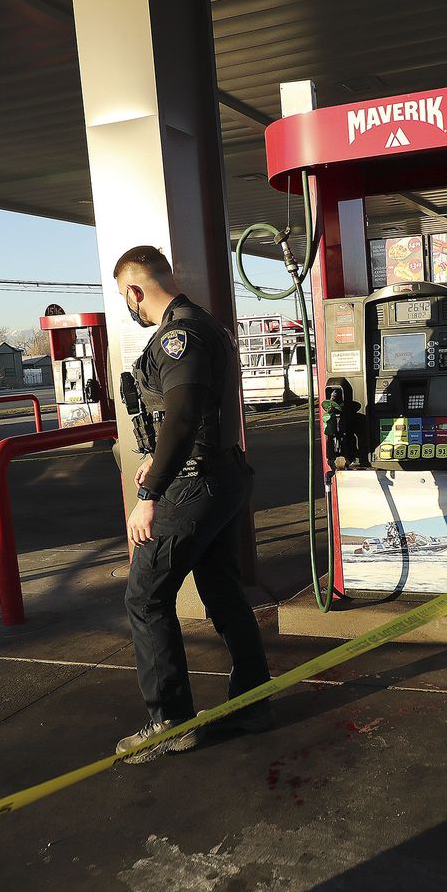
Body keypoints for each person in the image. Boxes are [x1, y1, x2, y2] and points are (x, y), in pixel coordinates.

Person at [112, 245, 273, 762]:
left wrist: (148, 495)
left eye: (125, 298)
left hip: (194, 485)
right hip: (220, 475)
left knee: (145, 597)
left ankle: (170, 723)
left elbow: (181, 418)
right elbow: (191, 420)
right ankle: (252, 702)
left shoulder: (178, 336)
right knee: (223, 591)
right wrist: (156, 461)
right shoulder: (207, 325)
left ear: (136, 290)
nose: (128, 308)